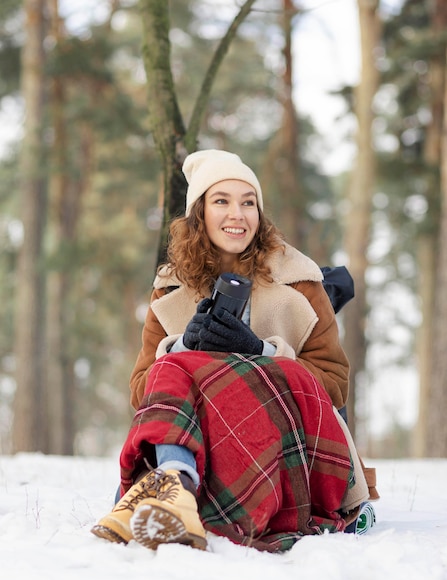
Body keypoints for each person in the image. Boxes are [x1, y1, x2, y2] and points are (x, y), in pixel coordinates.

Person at [91, 149, 376, 553]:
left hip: (289, 449)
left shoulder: (300, 283)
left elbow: (334, 385)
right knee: (173, 363)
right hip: (211, 451)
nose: (236, 215)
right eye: (221, 201)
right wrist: (187, 345)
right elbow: (142, 391)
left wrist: (258, 351)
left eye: (248, 203)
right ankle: (176, 485)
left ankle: (171, 487)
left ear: (260, 214)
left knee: (193, 366)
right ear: (199, 213)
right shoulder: (170, 292)